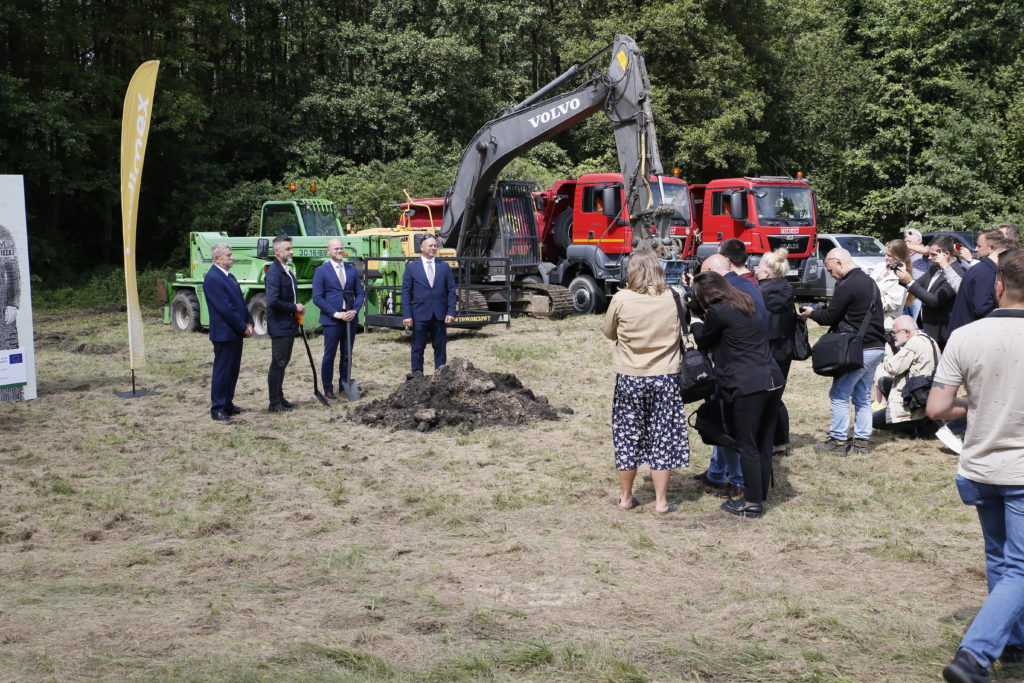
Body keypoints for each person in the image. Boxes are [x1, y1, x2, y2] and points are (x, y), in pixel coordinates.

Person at [928, 248, 1024, 683]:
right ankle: (976, 655)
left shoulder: (966, 335)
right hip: (1019, 473)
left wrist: (976, 404)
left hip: (980, 466)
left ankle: (1013, 642)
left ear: (999, 285)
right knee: (1019, 567)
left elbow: (936, 408)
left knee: (1002, 561)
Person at [602, 250, 690, 514]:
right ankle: (661, 501)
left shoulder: (622, 298)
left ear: (632, 270)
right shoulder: (675, 297)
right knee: (662, 438)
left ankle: (626, 498)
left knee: (627, 436)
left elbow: (608, 332)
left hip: (630, 376)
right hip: (665, 376)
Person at [691, 271, 782, 518]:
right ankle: (759, 493)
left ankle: (752, 503)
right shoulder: (744, 301)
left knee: (747, 443)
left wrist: (695, 320)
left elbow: (704, 340)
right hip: (771, 377)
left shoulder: (719, 312)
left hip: (748, 383)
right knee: (763, 442)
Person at [800, 248, 886, 456]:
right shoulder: (869, 281)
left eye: (830, 270)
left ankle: (838, 441)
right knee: (863, 396)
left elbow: (829, 317)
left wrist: (811, 313)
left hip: (858, 349)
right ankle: (862, 442)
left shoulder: (847, 284)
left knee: (839, 393)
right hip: (876, 346)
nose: (831, 274)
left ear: (839, 262)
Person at [203, 243, 254, 421]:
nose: (232, 258)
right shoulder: (213, 278)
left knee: (232, 370)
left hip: (235, 332)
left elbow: (240, 302)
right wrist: (242, 327)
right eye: (228, 255)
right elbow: (225, 309)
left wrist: (250, 321)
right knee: (223, 371)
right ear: (217, 258)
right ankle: (217, 408)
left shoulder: (229, 276)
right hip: (225, 333)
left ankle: (227, 403)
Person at [755, 248, 797, 457]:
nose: (756, 271)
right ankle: (780, 443)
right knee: (777, 395)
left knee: (762, 396)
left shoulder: (758, 291)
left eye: (760, 268)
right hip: (784, 347)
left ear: (768, 273)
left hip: (764, 347)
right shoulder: (788, 289)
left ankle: (766, 440)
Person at [313, 238, 365, 400]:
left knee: (347, 354)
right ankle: (328, 388)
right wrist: (336, 314)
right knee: (330, 355)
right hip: (332, 320)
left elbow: (360, 293)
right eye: (336, 249)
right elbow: (318, 298)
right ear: (328, 250)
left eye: (341, 248)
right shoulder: (322, 271)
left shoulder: (351, 269)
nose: (339, 251)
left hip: (350, 319)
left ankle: (344, 384)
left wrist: (355, 311)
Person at [871, 315, 939, 439]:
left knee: (872, 420)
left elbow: (893, 367)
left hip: (916, 403)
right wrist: (893, 346)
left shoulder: (914, 344)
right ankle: (921, 422)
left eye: (894, 332)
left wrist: (886, 347)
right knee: (883, 382)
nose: (892, 335)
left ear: (907, 332)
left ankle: (913, 425)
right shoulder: (929, 339)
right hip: (927, 395)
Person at [401, 235, 456, 374]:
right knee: (418, 348)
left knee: (440, 347)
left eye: (435, 245)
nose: (433, 248)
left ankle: (440, 376)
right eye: (430, 245)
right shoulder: (412, 268)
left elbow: (451, 291)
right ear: (421, 247)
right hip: (420, 315)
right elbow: (406, 293)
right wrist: (407, 315)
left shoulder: (444, 267)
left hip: (439, 315)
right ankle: (416, 377)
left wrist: (451, 312)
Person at [895, 235, 962, 348]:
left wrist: (910, 282)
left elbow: (935, 300)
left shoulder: (957, 273)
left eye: (934, 254)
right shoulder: (934, 268)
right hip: (928, 329)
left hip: (943, 335)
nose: (929, 258)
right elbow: (918, 284)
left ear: (946, 254)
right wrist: (902, 274)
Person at [947, 230, 1015, 335]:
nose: (975, 249)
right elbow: (983, 309)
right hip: (968, 337)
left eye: (979, 246)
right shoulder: (985, 273)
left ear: (992, 248)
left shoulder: (983, 269)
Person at [265, 235, 305, 411]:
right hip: (280, 325)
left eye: (291, 248)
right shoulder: (274, 272)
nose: (291, 251)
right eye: (287, 249)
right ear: (277, 251)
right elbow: (272, 301)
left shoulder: (286, 269)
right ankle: (274, 403)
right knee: (278, 363)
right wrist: (294, 307)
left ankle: (280, 398)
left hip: (288, 324)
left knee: (283, 362)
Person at [870, 239, 912, 330]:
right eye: (885, 254)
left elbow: (893, 303)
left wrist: (869, 301)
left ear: (899, 257)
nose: (885, 257)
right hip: (870, 317)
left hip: (885, 322)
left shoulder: (903, 276)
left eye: (889, 255)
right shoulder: (880, 266)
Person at [903, 228, 931, 321]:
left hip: (917, 292)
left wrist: (906, 246)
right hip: (905, 291)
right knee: (904, 320)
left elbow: (927, 251)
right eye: (905, 240)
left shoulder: (925, 249)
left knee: (913, 322)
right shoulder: (906, 254)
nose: (906, 242)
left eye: (909, 240)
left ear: (919, 240)